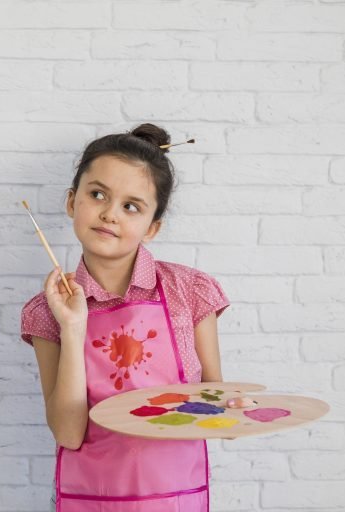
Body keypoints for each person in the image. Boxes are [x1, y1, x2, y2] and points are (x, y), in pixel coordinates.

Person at [20, 123, 230, 512]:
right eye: (97, 194)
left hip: (175, 498)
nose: (109, 214)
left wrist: (235, 413)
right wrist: (73, 327)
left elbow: (217, 403)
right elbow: (68, 433)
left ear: (152, 227)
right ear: (72, 202)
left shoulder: (189, 291)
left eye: (130, 206)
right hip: (90, 498)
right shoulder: (46, 311)